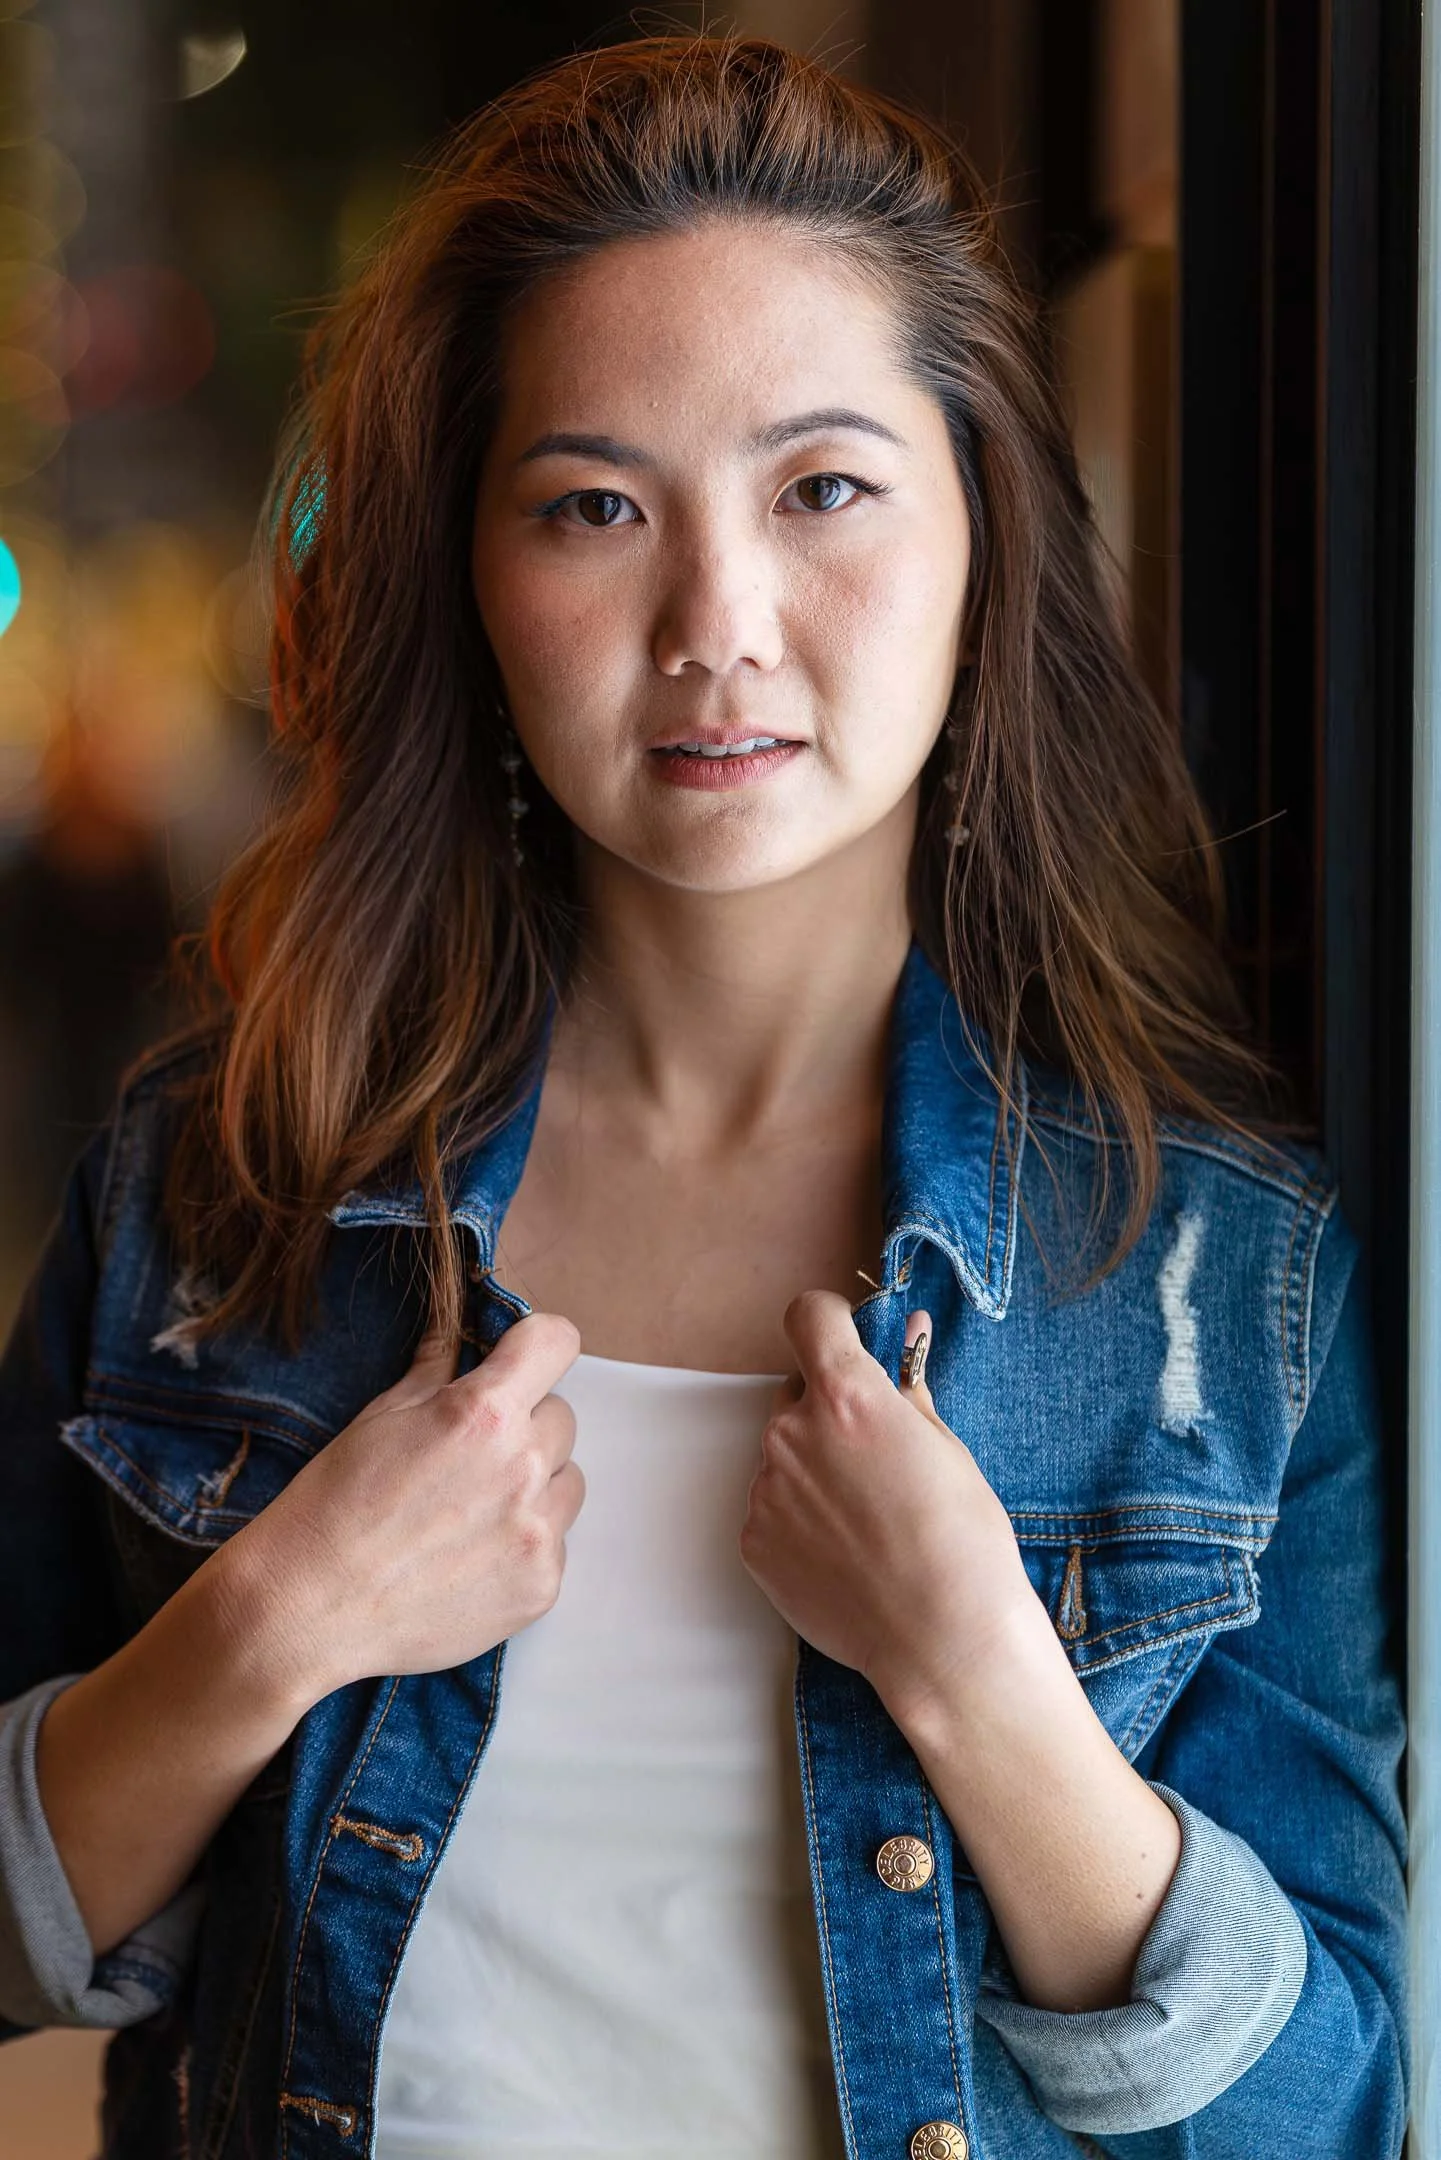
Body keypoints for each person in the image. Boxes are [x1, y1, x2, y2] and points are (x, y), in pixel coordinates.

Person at [0, 32, 1408, 2160]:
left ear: (982, 535)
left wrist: (983, 1684)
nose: (715, 623)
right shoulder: (224, 1189)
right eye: (594, 507)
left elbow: (1347, 2111)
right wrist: (271, 1626)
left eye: (822, 488)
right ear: (472, 581)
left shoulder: (1217, 1270)